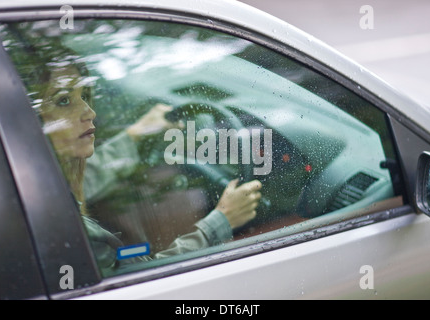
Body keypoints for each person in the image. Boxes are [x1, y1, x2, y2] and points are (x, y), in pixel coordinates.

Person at [27, 45, 263, 270]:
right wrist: (222, 220)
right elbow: (145, 274)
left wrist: (134, 135)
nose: (90, 112)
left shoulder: (34, 190)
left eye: (85, 96)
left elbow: (83, 181)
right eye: (64, 101)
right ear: (28, 121)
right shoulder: (77, 235)